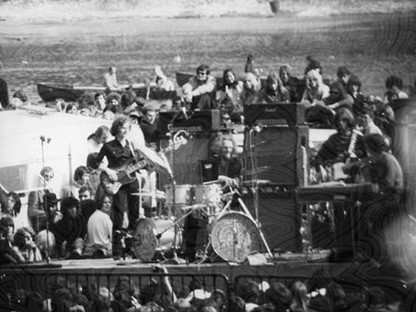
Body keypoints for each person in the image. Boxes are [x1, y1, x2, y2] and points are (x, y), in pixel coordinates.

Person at [91, 115, 146, 258]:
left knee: (134, 213)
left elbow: (140, 163)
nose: (126, 130)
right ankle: (117, 250)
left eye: (128, 127)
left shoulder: (133, 146)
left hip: (132, 181)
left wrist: (147, 165)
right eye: (123, 127)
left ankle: (133, 247)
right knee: (119, 213)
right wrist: (107, 170)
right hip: (116, 182)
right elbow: (93, 163)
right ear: (116, 129)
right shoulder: (108, 146)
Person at [358, 133, 403, 263]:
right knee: (360, 209)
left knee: (363, 212)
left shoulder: (387, 159)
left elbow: (387, 185)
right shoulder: (379, 159)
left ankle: (375, 254)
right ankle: (370, 252)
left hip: (392, 199)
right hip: (385, 198)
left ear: (371, 147)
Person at [28, 166, 59, 233]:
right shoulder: (35, 192)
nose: (48, 179)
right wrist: (47, 213)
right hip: (41, 225)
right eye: (46, 176)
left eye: (51, 177)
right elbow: (31, 211)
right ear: (41, 177)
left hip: (52, 223)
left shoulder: (51, 190)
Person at [84, 194, 113, 258]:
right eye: (105, 202)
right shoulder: (105, 217)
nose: (107, 205)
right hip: (103, 246)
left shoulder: (92, 216)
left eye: (109, 202)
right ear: (100, 204)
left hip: (90, 248)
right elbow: (112, 236)